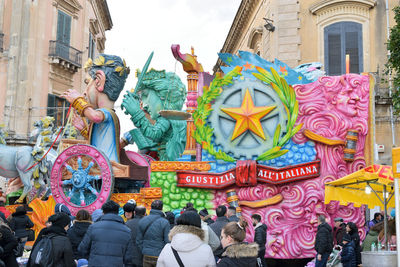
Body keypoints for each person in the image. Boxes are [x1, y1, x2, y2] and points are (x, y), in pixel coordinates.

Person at [62, 54, 129, 163]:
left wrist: (77, 100)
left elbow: (95, 117)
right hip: (101, 165)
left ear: (99, 81)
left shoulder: (106, 113)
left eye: (88, 83)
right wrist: (83, 129)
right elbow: (100, 140)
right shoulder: (106, 114)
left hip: (104, 166)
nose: (84, 92)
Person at [78, 200, 133, 267]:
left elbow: (82, 249)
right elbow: (129, 258)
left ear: (103, 212)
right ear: (117, 212)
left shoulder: (93, 227)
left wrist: (93, 258)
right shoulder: (127, 231)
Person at [136, 200, 170, 267]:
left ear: (151, 207)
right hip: (159, 255)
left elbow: (138, 240)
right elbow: (167, 241)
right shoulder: (165, 222)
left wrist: (144, 250)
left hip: (146, 254)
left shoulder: (142, 220)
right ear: (162, 208)